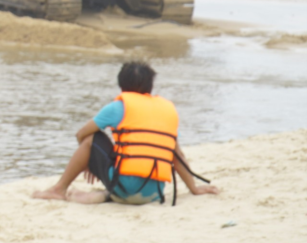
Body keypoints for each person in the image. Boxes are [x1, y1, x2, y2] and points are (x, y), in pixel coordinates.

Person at [32, 61, 220, 205]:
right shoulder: (167, 110)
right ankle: (105, 195)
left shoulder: (117, 107)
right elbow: (176, 154)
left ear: (121, 86)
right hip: (155, 194)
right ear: (150, 87)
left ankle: (59, 189)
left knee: (91, 138)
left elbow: (81, 135)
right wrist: (194, 188)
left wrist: (89, 162)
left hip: (125, 189)